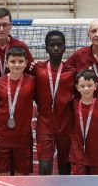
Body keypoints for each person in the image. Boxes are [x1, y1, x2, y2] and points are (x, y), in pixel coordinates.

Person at [33, 30, 77, 175]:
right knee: (45, 167)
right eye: (52, 45)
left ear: (65, 47)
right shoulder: (37, 69)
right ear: (46, 48)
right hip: (45, 124)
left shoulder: (72, 72)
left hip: (66, 125)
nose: (56, 48)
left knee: (65, 168)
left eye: (60, 45)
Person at [0, 47, 36, 176]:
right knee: (2, 174)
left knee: (21, 176)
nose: (16, 65)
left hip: (22, 137)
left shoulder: (32, 81)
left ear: (26, 63)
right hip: (2, 136)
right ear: (6, 63)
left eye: (20, 61)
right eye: (13, 61)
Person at [70, 69, 98, 175]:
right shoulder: (73, 104)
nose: (86, 89)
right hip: (78, 154)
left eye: (89, 85)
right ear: (77, 87)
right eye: (82, 86)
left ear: (95, 86)